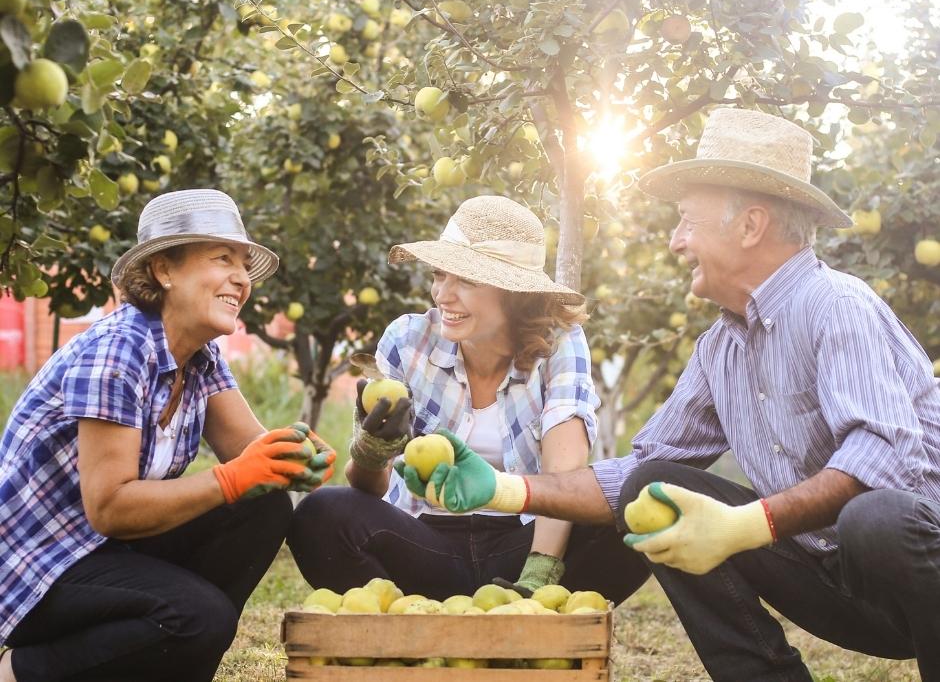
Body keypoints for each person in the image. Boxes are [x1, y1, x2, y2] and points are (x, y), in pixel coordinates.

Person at [399, 109, 940, 680]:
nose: (676, 242)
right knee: (653, 490)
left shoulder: (838, 306)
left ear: (750, 225)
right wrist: (508, 488)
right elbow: (635, 471)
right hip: (831, 580)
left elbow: (880, 461)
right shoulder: (720, 349)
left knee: (874, 516)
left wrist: (744, 525)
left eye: (687, 221)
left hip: (918, 572)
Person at [0, 189, 335, 682]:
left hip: (107, 553)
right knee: (196, 616)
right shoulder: (116, 353)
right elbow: (110, 507)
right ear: (164, 270)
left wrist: (295, 457)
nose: (241, 279)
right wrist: (232, 478)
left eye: (243, 263)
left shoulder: (199, 357)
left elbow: (251, 452)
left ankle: (171, 660)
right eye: (223, 259)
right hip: (39, 569)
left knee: (262, 508)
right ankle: (20, 671)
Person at [288, 195, 637, 604]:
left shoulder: (559, 344)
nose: (443, 295)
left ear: (515, 293)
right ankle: (407, 628)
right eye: (440, 275)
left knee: (630, 505)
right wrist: (372, 449)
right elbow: (368, 488)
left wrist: (537, 577)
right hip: (425, 544)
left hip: (523, 541)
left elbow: (563, 476)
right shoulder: (407, 340)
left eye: (467, 281)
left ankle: (527, 629)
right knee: (322, 514)